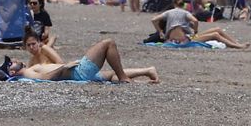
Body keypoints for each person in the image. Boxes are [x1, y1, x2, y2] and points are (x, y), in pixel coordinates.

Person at [12, 31, 159, 83]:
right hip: (76, 73)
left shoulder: (44, 49)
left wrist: (64, 67)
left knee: (110, 75)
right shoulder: (30, 64)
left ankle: (147, 71)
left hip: (73, 71)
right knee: (108, 44)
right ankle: (124, 78)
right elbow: (46, 77)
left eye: (33, 44)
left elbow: (59, 63)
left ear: (39, 43)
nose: (32, 47)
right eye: (28, 45)